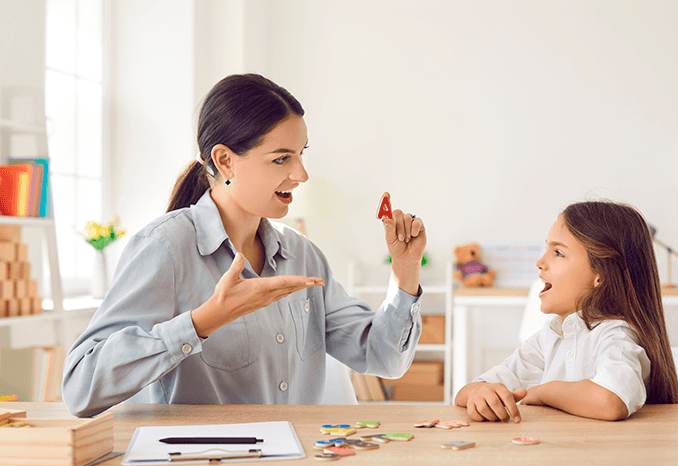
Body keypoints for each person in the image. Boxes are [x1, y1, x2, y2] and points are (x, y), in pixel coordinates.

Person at [62, 74, 426, 417]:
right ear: (225, 161)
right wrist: (205, 320)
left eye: (302, 153)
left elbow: (385, 359)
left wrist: (404, 273)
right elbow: (81, 387)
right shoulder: (165, 248)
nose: (301, 174)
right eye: (282, 158)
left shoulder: (302, 255)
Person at [454, 200, 678, 422]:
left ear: (600, 274)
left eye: (558, 253)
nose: (540, 262)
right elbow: (467, 391)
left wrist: (544, 391)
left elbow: (611, 401)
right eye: (546, 249)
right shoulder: (550, 336)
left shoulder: (615, 334)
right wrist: (480, 393)